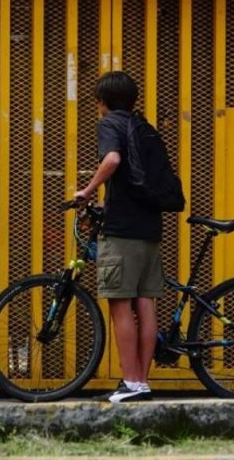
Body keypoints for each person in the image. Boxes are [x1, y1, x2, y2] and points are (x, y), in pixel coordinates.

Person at [74, 71, 163, 403]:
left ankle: (130, 381)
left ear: (102, 102)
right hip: (150, 226)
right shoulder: (145, 128)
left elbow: (112, 159)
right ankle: (143, 382)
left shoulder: (110, 124)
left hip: (122, 228)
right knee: (146, 302)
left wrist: (88, 190)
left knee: (120, 302)